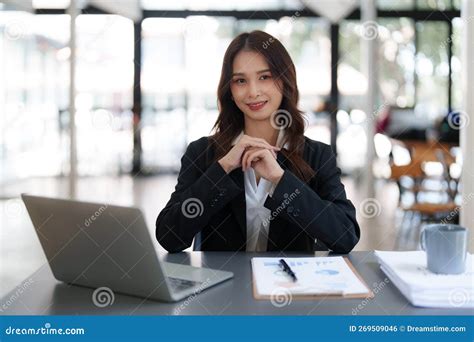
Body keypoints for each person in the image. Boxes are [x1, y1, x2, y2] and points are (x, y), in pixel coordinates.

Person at [156, 30, 360, 253]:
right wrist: (222, 169)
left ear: (285, 79)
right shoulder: (202, 152)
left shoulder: (317, 155)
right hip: (224, 286)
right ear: (230, 90)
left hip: (290, 285)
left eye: (265, 77)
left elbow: (345, 235)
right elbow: (169, 236)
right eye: (240, 80)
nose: (253, 92)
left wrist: (280, 179)